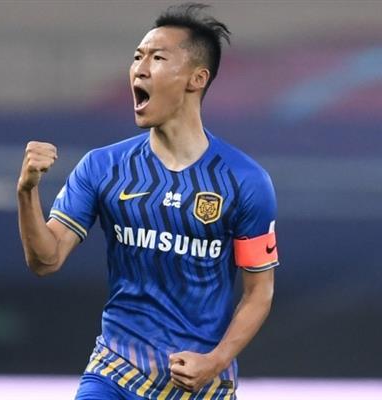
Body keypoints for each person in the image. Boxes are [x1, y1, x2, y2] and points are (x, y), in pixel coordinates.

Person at [17, 3, 278, 399]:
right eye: (137, 57)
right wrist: (27, 192)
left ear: (197, 79)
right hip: (116, 373)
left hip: (201, 386)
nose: (139, 68)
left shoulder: (245, 181)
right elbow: (46, 260)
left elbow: (259, 292)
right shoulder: (103, 167)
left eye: (157, 58)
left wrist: (215, 361)